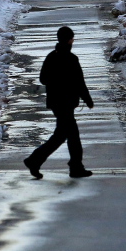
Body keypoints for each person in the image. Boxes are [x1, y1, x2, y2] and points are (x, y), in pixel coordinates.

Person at [24, 26, 94, 179]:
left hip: (56, 103)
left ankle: (36, 161)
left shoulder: (51, 57)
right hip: (67, 103)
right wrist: (87, 100)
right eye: (72, 39)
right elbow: (79, 82)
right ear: (69, 40)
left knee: (62, 135)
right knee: (71, 135)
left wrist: (55, 81)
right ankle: (74, 167)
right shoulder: (71, 59)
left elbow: (43, 78)